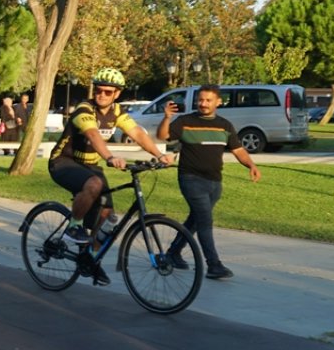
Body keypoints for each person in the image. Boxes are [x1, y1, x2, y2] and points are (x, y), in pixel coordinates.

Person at [48, 67, 174, 286]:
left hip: (90, 165)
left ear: (117, 94)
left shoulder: (116, 112)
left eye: (108, 92)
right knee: (94, 183)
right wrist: (109, 156)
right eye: (99, 90)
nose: (102, 95)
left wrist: (159, 155)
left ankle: (90, 260)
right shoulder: (84, 109)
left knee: (108, 218)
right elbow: (92, 134)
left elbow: (136, 133)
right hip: (63, 162)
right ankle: (73, 227)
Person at [158, 84, 261, 280]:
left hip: (214, 182)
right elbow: (163, 136)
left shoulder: (225, 125)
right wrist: (167, 117)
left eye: (208, 100)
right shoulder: (185, 121)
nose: (203, 104)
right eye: (201, 100)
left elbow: (238, 150)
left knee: (196, 220)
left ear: (218, 102)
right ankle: (213, 265)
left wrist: (251, 165)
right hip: (190, 179)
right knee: (205, 220)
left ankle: (172, 253)